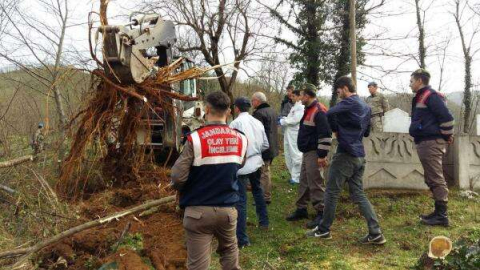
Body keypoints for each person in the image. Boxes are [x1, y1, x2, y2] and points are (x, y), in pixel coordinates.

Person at [171, 91, 247, 270]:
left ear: (207, 109)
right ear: (228, 111)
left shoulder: (195, 139)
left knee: (198, 265)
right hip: (227, 210)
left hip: (198, 212)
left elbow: (177, 176)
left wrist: (181, 188)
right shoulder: (241, 138)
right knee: (229, 253)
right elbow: (238, 165)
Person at [306, 76, 386, 245]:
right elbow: (366, 132)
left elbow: (328, 113)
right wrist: (344, 128)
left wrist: (336, 129)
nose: (337, 93)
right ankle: (375, 232)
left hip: (346, 154)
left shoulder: (349, 103)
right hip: (359, 155)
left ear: (344, 88)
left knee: (331, 192)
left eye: (338, 90)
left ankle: (324, 230)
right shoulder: (365, 106)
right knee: (358, 193)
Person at [409, 69, 454, 227]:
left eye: (412, 81)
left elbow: (447, 118)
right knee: (431, 177)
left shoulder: (431, 96)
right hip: (425, 141)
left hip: (431, 142)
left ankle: (442, 215)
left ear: (420, 81)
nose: (410, 84)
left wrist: (447, 136)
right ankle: (438, 212)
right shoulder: (421, 96)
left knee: (435, 177)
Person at [285, 83, 331, 229]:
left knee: (315, 182)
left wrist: (322, 155)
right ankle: (301, 209)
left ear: (308, 96)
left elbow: (326, 135)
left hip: (314, 152)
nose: (299, 97)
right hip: (306, 152)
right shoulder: (308, 109)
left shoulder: (319, 111)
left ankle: (321, 212)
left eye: (302, 95)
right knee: (304, 180)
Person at [230, 97, 270, 248]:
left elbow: (233, 146)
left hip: (242, 166)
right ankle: (264, 222)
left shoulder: (235, 123)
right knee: (258, 191)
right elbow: (266, 144)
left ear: (237, 108)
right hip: (257, 162)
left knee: (240, 200)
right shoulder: (257, 122)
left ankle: (242, 238)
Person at [251, 92, 279, 204]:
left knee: (264, 172)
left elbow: (257, 133)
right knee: (265, 171)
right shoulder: (272, 111)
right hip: (273, 146)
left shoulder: (259, 113)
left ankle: (264, 197)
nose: (252, 103)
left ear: (257, 101)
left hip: (265, 147)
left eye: (253, 100)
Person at [279, 90, 304, 184]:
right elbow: (290, 118)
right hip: (288, 133)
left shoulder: (301, 107)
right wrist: (283, 119)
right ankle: (292, 174)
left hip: (294, 134)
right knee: (288, 153)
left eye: (293, 96)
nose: (291, 98)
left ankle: (297, 177)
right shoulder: (294, 107)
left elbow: (295, 120)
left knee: (295, 154)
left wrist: (283, 121)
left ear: (299, 96)